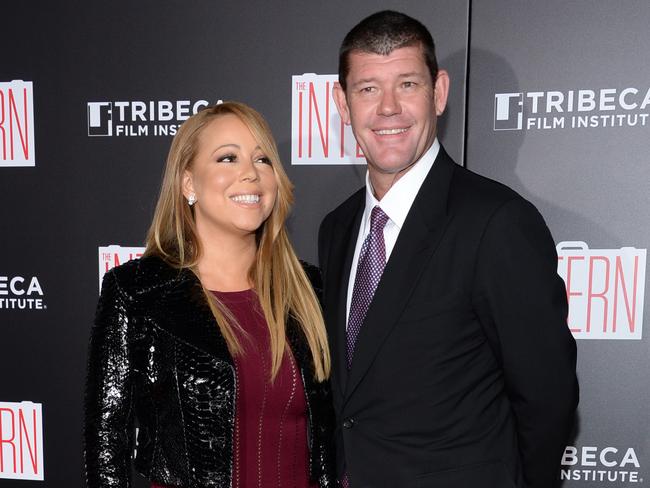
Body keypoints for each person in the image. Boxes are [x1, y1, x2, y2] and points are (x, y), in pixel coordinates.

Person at [318, 10, 578, 488]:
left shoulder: (497, 221)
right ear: (342, 103)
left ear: (438, 92)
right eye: (368, 88)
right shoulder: (337, 228)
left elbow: (547, 396)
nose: (388, 108)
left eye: (408, 84)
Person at [85, 102, 335, 488]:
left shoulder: (310, 289)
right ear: (188, 183)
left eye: (263, 159)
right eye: (227, 158)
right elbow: (106, 440)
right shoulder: (138, 293)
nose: (250, 174)